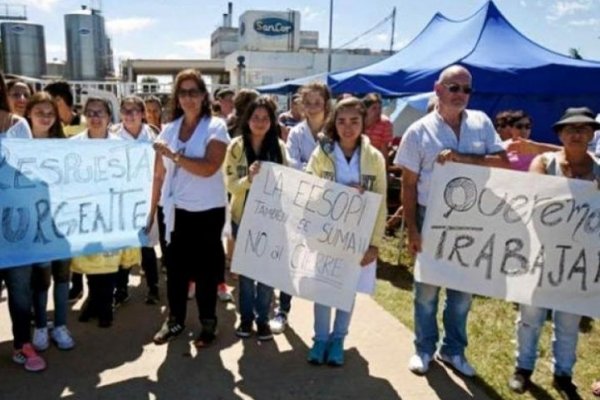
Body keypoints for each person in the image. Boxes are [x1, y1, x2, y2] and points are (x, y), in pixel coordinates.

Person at [395, 65, 509, 377]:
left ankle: (454, 350)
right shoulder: (419, 131)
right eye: (454, 87)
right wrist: (412, 229)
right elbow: (408, 183)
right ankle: (423, 348)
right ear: (438, 88)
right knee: (427, 293)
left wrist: (463, 158)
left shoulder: (482, 123)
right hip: (429, 215)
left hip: (472, 220)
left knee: (462, 295)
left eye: (466, 89)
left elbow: (503, 163)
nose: (460, 94)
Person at [507, 107, 600, 400]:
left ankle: (563, 374)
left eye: (584, 128)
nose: (576, 134)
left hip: (578, 260)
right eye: (570, 129)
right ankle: (523, 368)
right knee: (530, 316)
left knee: (569, 319)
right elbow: (533, 196)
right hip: (540, 254)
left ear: (592, 134)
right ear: (559, 134)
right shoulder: (543, 163)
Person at [150, 69, 230, 347]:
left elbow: (209, 167)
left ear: (203, 95)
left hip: (208, 211)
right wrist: (151, 212)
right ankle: (175, 321)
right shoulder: (169, 129)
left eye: (193, 91)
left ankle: (208, 323)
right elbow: (158, 174)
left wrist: (174, 155)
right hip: (174, 212)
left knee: (207, 272)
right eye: (182, 92)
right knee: (176, 271)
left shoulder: (215, 126)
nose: (188, 98)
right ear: (177, 97)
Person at [305, 96, 386, 366]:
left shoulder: (374, 158)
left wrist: (374, 243)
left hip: (358, 238)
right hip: (327, 233)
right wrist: (337, 193)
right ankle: (320, 339)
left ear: (364, 122)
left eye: (354, 121)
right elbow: (308, 191)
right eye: (341, 121)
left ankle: (338, 339)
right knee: (323, 288)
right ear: (333, 123)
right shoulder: (322, 153)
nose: (348, 127)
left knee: (346, 290)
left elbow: (381, 200)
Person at [70, 97, 141, 328]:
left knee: (110, 260)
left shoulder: (122, 145)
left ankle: (105, 305)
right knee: (90, 258)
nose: (95, 117)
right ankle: (94, 299)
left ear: (109, 117)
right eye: (90, 113)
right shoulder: (74, 144)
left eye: (99, 113)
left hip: (113, 211)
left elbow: (132, 178)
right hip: (86, 212)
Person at [270, 81, 332, 334]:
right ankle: (282, 309)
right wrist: (317, 171)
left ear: (326, 104)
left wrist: (315, 171)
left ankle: (326, 323)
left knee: (326, 262)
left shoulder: (335, 130)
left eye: (318, 102)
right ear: (301, 105)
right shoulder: (296, 133)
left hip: (330, 205)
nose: (312, 107)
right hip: (301, 203)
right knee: (292, 256)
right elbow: (293, 165)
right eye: (308, 103)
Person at [225, 96, 288, 341]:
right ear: (247, 120)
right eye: (255, 118)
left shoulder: (279, 147)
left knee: (266, 273)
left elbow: (288, 182)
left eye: (265, 118)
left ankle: (263, 319)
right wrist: (248, 180)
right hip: (243, 216)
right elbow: (229, 184)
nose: (260, 122)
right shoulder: (236, 147)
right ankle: (246, 318)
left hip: (271, 219)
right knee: (247, 271)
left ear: (272, 121)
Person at [24, 92, 75, 351]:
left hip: (61, 219)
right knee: (41, 277)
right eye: (39, 112)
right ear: (28, 114)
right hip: (33, 224)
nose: (45, 117)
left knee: (63, 275)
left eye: (50, 113)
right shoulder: (16, 144)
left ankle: (61, 325)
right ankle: (41, 327)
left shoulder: (63, 145)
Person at [0, 72, 44, 371]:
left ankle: (22, 343)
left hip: (15, 223)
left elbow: (28, 172)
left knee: (19, 290)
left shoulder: (16, 125)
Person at [113, 95, 160, 305]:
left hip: (147, 197)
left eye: (135, 111)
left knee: (147, 244)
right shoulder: (111, 135)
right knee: (123, 246)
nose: (130, 115)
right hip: (121, 199)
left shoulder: (155, 135)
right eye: (126, 111)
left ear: (142, 114)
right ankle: (121, 288)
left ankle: (153, 287)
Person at [362, 93, 393, 160]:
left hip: (375, 160)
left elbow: (384, 150)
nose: (378, 111)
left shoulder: (385, 123)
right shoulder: (358, 121)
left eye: (380, 108)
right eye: (374, 108)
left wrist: (384, 168)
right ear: (365, 109)